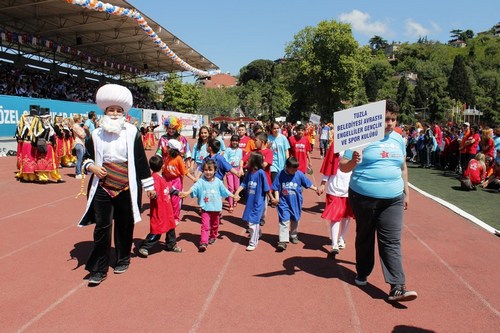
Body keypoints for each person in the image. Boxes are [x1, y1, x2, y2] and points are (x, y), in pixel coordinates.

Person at [339, 100, 417, 302]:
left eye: (393, 119)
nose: (390, 123)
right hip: (363, 197)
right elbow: (343, 166)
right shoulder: (360, 137)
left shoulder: (399, 139)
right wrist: (354, 161)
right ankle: (363, 271)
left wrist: (406, 192)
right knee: (365, 236)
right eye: (386, 119)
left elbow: (402, 167)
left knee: (391, 240)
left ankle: (397, 286)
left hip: (393, 198)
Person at [78, 84, 156, 286]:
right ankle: (99, 268)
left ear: (124, 113)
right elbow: (85, 157)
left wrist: (149, 187)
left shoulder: (132, 132)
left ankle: (123, 258)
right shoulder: (95, 134)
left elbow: (140, 160)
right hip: (103, 186)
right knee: (102, 227)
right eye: (111, 110)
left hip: (127, 186)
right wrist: (91, 167)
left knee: (124, 224)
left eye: (118, 110)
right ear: (104, 111)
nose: (114, 114)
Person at [179, 159, 238, 252]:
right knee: (205, 226)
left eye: (210, 170)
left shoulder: (218, 182)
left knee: (215, 225)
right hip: (205, 208)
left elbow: (225, 191)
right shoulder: (201, 181)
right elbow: (194, 187)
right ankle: (203, 242)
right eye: (206, 170)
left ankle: (213, 236)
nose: (208, 172)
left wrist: (233, 195)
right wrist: (187, 192)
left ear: (215, 170)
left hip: (216, 209)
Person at [138, 155, 182, 257]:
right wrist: (153, 195)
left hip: (167, 209)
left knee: (171, 226)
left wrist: (177, 193)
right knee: (157, 230)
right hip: (160, 210)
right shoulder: (155, 178)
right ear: (162, 166)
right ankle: (145, 246)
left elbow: (169, 188)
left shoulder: (162, 177)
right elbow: (155, 192)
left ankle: (171, 244)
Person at [271, 157, 318, 251]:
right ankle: (283, 241)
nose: (294, 172)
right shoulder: (281, 174)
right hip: (283, 202)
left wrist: (317, 189)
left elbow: (308, 184)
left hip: (296, 202)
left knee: (295, 219)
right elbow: (275, 187)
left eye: (296, 170)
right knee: (284, 220)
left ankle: (293, 235)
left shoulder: (299, 174)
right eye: (293, 170)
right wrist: (276, 198)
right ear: (287, 167)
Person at [318, 143, 353, 255]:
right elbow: (329, 162)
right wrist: (323, 183)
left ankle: (342, 239)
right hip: (335, 184)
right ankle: (334, 244)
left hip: (351, 185)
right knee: (335, 216)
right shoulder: (337, 144)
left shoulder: (359, 143)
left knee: (347, 215)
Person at [234, 152, 273, 251]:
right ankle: (258, 233)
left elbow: (266, 188)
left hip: (258, 202)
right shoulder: (249, 173)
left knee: (252, 222)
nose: (248, 160)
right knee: (250, 221)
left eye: (250, 159)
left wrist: (272, 198)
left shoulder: (261, 173)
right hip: (250, 202)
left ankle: (253, 242)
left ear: (254, 161)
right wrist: (237, 193)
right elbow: (244, 184)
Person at [162, 139, 197, 225]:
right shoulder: (167, 158)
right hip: (167, 181)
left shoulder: (179, 159)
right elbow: (164, 170)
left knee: (175, 201)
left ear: (172, 149)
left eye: (168, 147)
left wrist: (194, 179)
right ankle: (169, 216)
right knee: (167, 199)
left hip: (176, 182)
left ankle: (176, 217)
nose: (166, 148)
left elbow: (185, 172)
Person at [224, 135, 244, 212]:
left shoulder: (240, 150)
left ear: (238, 142)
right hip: (229, 169)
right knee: (230, 187)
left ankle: (235, 199)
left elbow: (241, 160)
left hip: (237, 169)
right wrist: (226, 169)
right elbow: (225, 160)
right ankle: (230, 204)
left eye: (236, 141)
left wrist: (241, 169)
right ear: (231, 141)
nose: (234, 142)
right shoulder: (228, 150)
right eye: (233, 141)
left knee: (236, 187)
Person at [72, 114, 86, 179]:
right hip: (78, 143)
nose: (81, 119)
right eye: (80, 118)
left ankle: (80, 172)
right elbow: (82, 135)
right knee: (79, 159)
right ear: (78, 119)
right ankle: (78, 173)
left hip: (82, 143)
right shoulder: (75, 126)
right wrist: (84, 134)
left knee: (82, 158)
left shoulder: (79, 126)